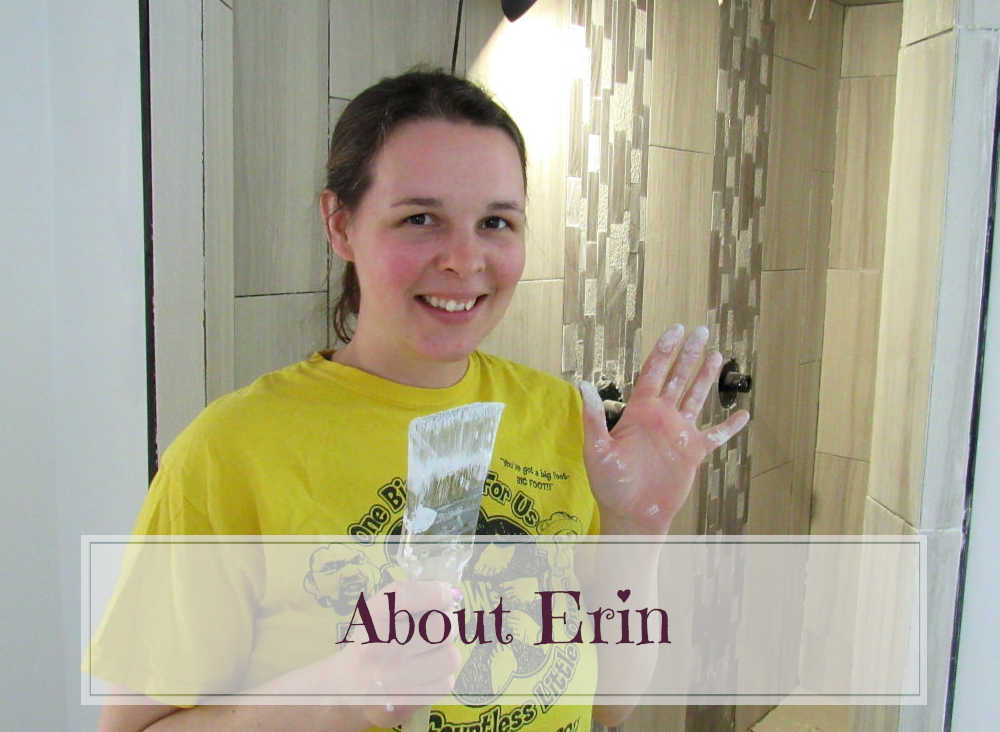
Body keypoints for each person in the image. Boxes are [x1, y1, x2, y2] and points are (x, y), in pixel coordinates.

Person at [95, 69, 749, 732]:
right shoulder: (231, 451)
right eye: (420, 219)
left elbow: (607, 703)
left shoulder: (562, 421)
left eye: (496, 221)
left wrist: (638, 527)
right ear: (340, 224)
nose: (465, 261)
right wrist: (339, 691)